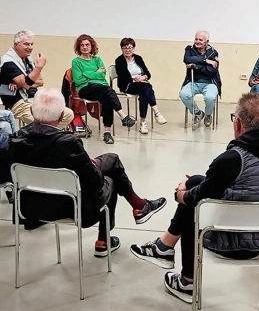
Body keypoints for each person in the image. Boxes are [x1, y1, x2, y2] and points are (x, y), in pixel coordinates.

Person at [130, 92, 259, 303]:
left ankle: (185, 281)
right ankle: (163, 247)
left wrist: (181, 194)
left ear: (237, 123)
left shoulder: (233, 158)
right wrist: (197, 185)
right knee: (198, 183)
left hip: (235, 244)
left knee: (196, 209)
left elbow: (198, 198)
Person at [8, 88, 167, 255]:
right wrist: (85, 162)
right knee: (110, 177)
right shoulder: (68, 143)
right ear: (63, 116)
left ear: (32, 111)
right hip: (72, 208)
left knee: (110, 160)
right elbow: (95, 182)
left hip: (29, 208)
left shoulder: (16, 140)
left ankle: (138, 207)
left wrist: (82, 160)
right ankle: (106, 239)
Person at [0, 29, 73, 128]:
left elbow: (40, 82)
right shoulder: (8, 62)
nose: (30, 48)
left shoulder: (27, 59)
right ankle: (48, 137)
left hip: (35, 99)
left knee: (68, 114)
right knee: (46, 122)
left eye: (31, 44)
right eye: (26, 44)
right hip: (20, 103)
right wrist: (39, 66)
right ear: (16, 45)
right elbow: (26, 84)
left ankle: (46, 136)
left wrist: (20, 84)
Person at [71, 34, 136, 144]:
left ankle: (107, 132)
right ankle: (123, 116)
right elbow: (79, 80)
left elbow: (102, 75)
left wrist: (87, 74)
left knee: (107, 98)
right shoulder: (76, 62)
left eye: (87, 44)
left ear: (92, 46)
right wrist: (95, 73)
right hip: (85, 89)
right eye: (82, 45)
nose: (85, 47)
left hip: (100, 88)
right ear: (79, 47)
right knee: (108, 91)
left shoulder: (97, 60)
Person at [114, 38, 167, 134]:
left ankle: (143, 123)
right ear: (121, 49)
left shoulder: (138, 58)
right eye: (125, 48)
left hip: (141, 84)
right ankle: (157, 112)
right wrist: (135, 79)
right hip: (128, 85)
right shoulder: (119, 60)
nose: (128, 50)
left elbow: (148, 74)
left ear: (133, 48)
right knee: (147, 88)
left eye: (130, 47)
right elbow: (123, 76)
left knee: (144, 93)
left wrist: (143, 77)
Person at [179, 30, 222, 129]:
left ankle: (208, 114)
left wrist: (195, 66)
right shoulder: (189, 49)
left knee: (210, 97)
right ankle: (198, 113)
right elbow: (187, 59)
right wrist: (205, 61)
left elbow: (211, 71)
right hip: (193, 81)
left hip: (210, 83)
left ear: (207, 42)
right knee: (183, 94)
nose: (197, 41)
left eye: (200, 40)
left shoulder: (213, 52)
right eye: (196, 39)